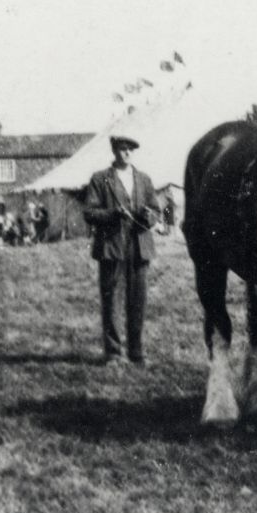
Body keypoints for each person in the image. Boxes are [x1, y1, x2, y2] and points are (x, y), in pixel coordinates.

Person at [83, 135, 161, 366]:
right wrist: (112, 214)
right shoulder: (100, 179)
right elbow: (89, 212)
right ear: (114, 151)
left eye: (130, 149)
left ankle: (136, 353)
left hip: (139, 247)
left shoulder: (144, 180)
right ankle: (114, 353)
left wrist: (150, 217)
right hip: (111, 248)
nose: (126, 153)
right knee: (112, 303)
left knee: (138, 303)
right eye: (122, 149)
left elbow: (157, 210)